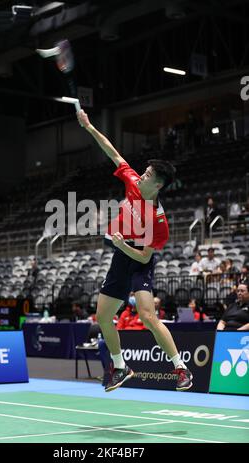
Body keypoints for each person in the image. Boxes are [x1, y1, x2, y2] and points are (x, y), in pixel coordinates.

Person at [77, 109, 193, 392]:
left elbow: (144, 257)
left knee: (147, 315)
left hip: (139, 260)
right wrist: (90, 127)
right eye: (144, 171)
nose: (142, 175)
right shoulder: (132, 182)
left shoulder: (159, 221)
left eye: (148, 174)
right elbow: (112, 152)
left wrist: (121, 244)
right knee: (103, 316)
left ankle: (180, 368)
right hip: (120, 257)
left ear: (158, 185)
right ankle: (120, 366)